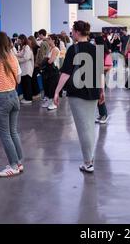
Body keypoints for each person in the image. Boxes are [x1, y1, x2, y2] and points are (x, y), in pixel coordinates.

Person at [54, 21, 105, 173]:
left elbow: (65, 73)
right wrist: (102, 91)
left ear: (77, 32)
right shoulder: (96, 49)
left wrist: (57, 91)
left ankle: (88, 162)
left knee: (83, 128)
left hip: (77, 92)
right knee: (89, 126)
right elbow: (100, 72)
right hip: (93, 91)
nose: (72, 33)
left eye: (72, 31)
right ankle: (89, 157)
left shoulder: (73, 49)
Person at [0, 32, 24, 177]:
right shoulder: (13, 57)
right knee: (13, 132)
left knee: (5, 134)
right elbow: (18, 80)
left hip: (0, 99)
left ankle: (13, 165)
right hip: (14, 96)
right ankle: (18, 162)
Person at [95, 36, 113, 124]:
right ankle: (101, 114)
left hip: (102, 76)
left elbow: (109, 66)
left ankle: (104, 115)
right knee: (98, 96)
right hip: (96, 75)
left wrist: (99, 67)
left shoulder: (106, 53)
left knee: (100, 96)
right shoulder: (98, 52)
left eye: (94, 42)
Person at [41, 35, 60, 111]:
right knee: (48, 86)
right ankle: (49, 101)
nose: (48, 41)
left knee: (52, 87)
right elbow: (47, 59)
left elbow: (50, 61)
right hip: (48, 71)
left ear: (53, 40)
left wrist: (46, 59)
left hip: (53, 71)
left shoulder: (55, 49)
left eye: (49, 39)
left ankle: (54, 103)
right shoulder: (50, 49)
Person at [16, 34, 34, 105]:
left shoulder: (27, 47)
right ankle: (26, 97)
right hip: (24, 69)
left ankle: (29, 98)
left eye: (19, 40)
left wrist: (17, 59)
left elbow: (26, 57)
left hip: (27, 69)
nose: (19, 42)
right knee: (25, 84)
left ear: (23, 40)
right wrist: (15, 55)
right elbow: (20, 54)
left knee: (27, 85)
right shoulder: (24, 47)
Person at [28, 35, 41, 100]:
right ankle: (35, 93)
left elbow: (37, 57)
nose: (28, 42)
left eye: (29, 41)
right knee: (33, 79)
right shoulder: (31, 48)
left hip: (36, 66)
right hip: (33, 65)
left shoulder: (36, 47)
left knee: (34, 79)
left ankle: (37, 93)